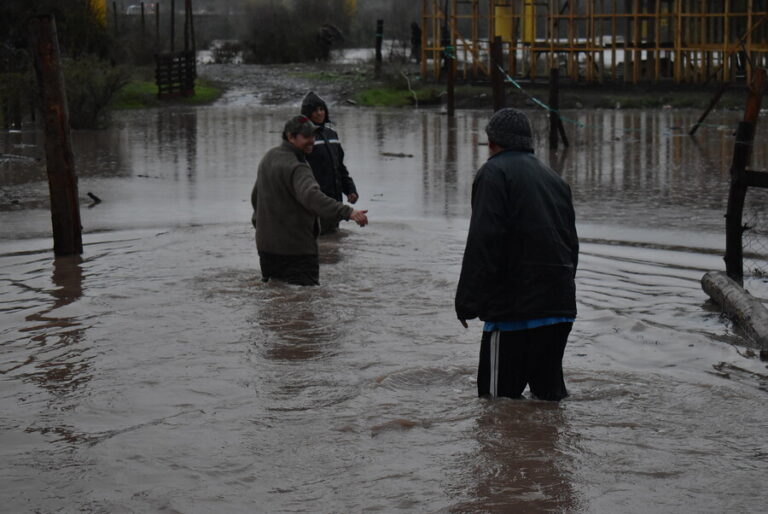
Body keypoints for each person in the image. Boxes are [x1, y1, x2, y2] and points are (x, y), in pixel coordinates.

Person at [455, 108, 579, 401]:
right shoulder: (555, 179)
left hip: (514, 314)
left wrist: (467, 301)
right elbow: (571, 245)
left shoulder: (493, 173)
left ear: (492, 142)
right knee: (549, 405)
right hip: (559, 311)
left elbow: (484, 241)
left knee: (496, 407)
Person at [251, 115, 368, 286]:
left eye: (313, 136)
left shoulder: (268, 157)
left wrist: (261, 228)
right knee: (307, 304)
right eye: (306, 137)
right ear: (290, 137)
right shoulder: (298, 166)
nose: (312, 141)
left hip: (266, 248)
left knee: (274, 299)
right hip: (297, 251)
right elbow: (312, 197)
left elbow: (256, 199)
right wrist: (348, 212)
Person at [301, 92, 359, 234]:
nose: (319, 113)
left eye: (322, 109)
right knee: (318, 239)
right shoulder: (302, 137)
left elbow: (339, 166)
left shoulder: (331, 134)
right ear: (308, 113)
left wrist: (350, 189)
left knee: (332, 240)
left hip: (334, 200)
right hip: (314, 201)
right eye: (315, 110)